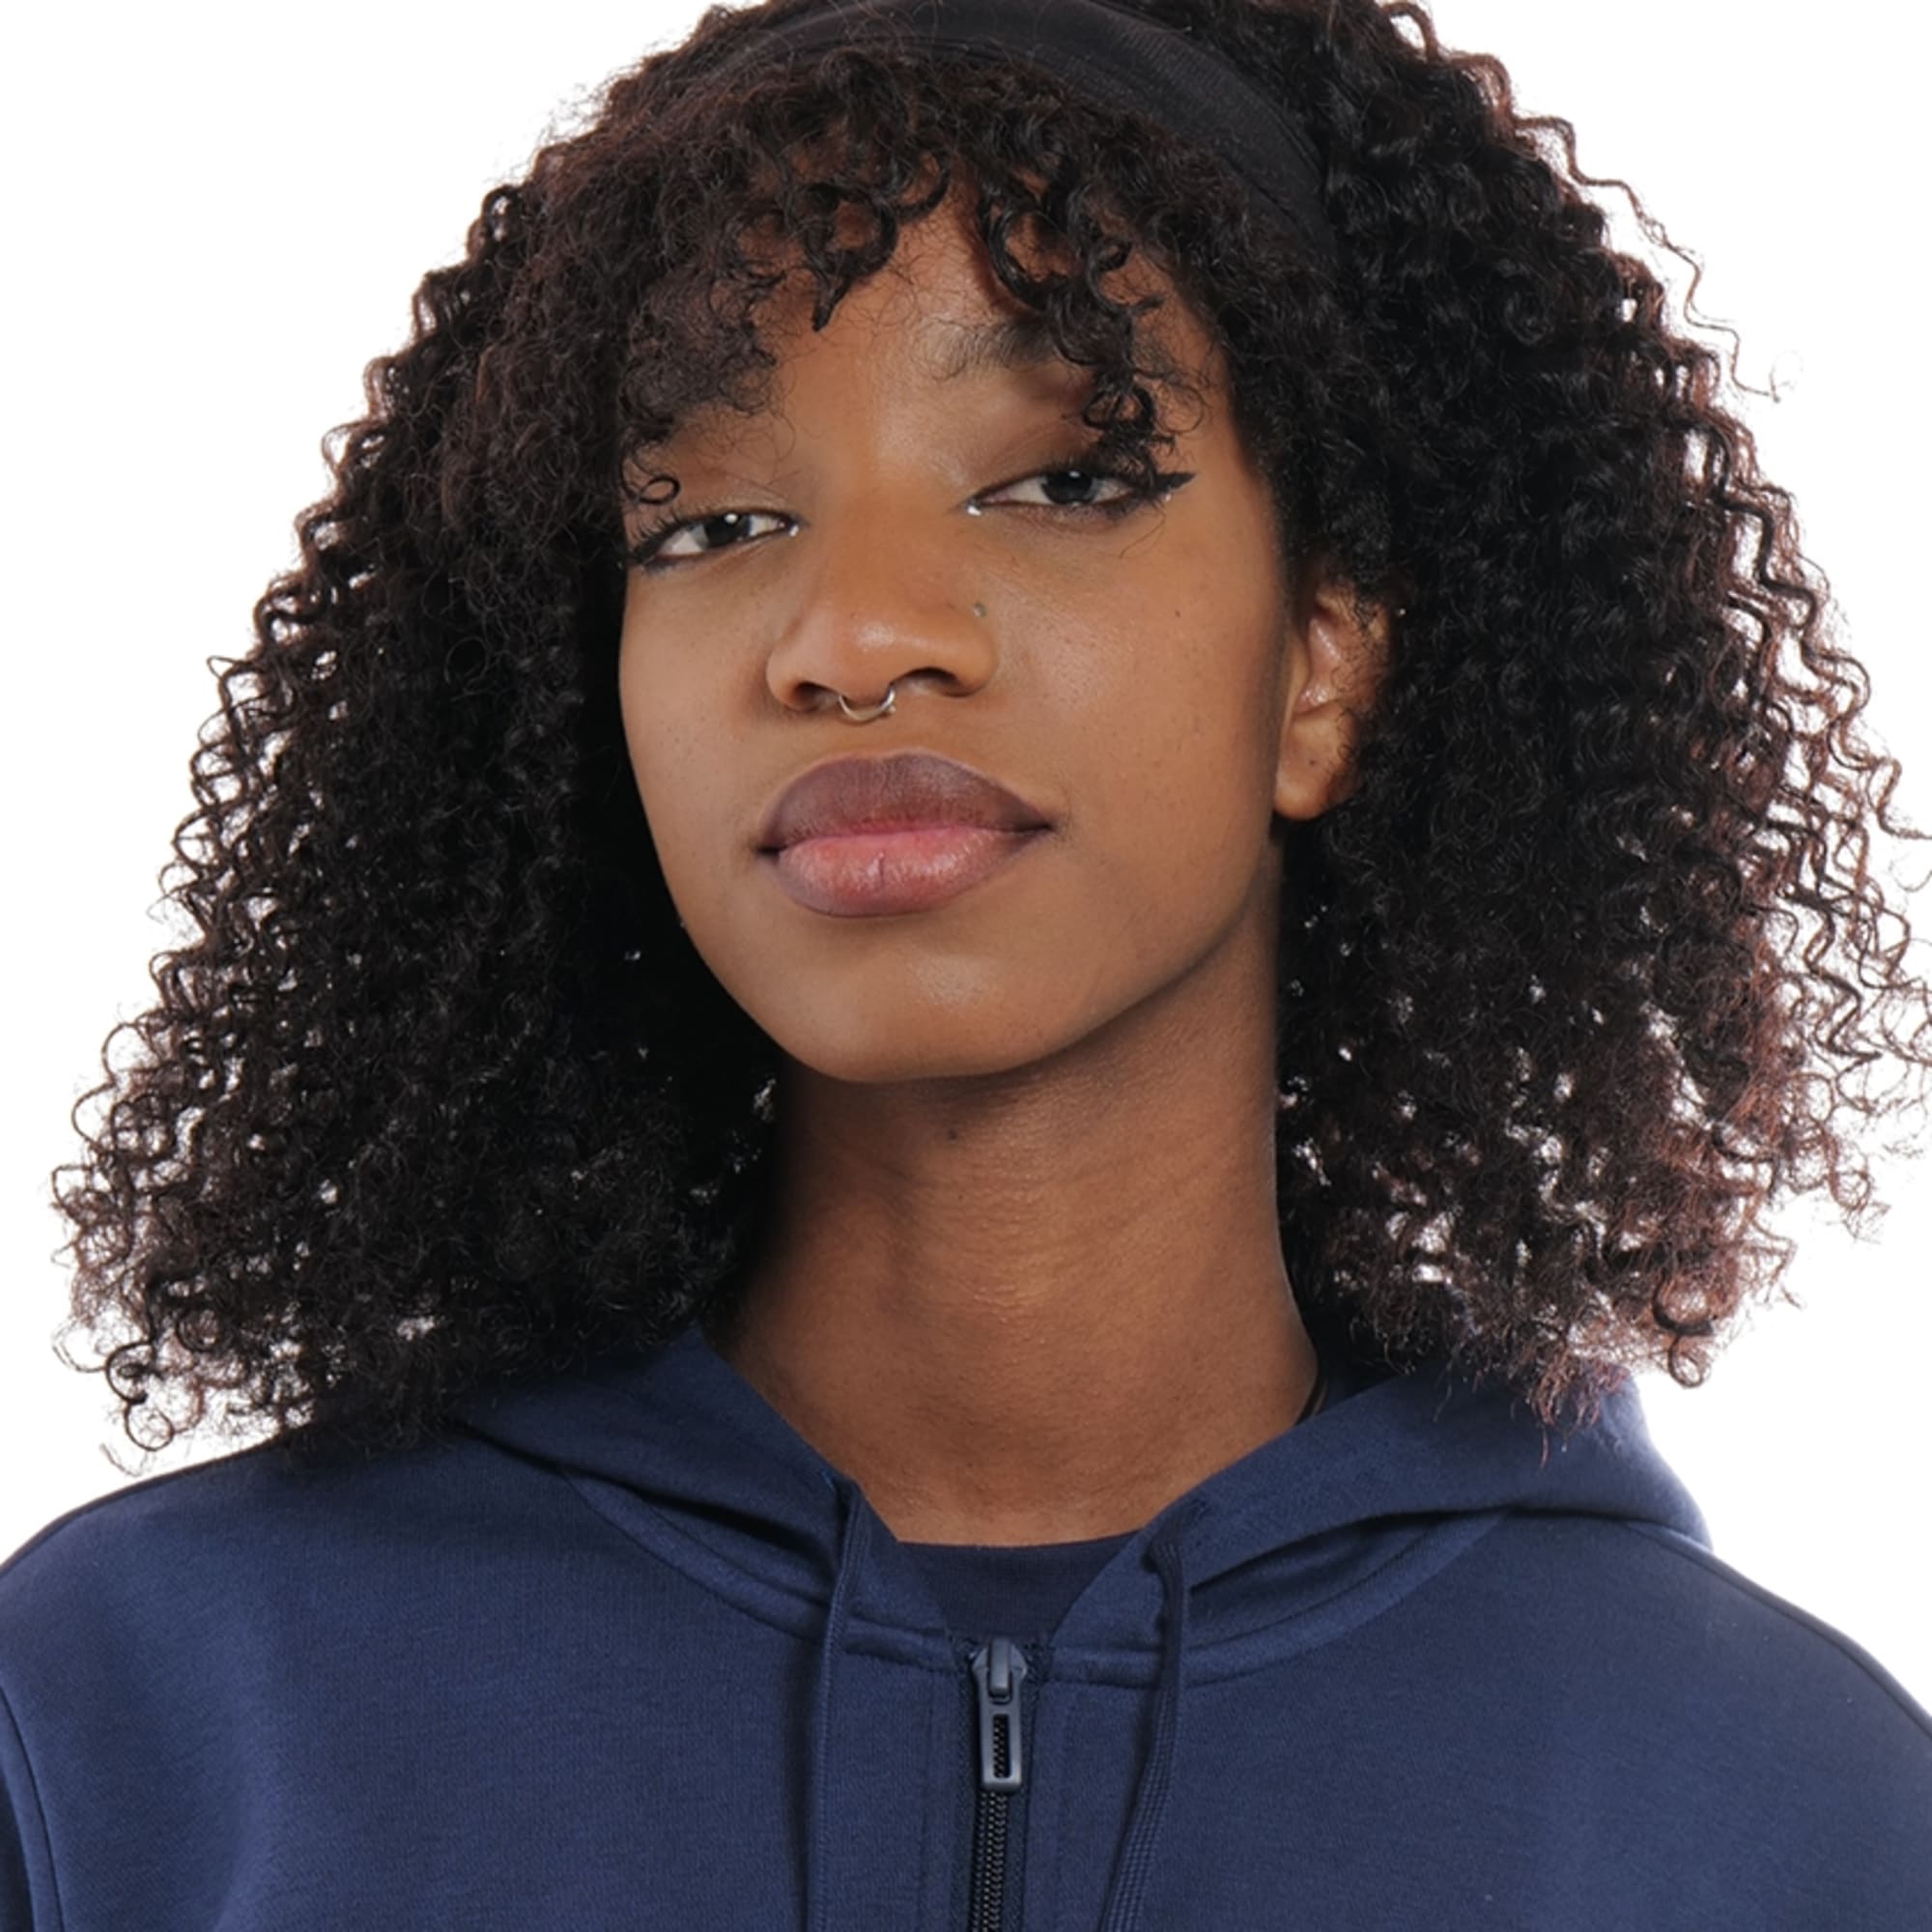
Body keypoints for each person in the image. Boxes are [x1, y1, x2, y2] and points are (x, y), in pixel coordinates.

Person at [4, 0, 1929, 1924]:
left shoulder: (1785, 1815)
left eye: (1063, 481)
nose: (851, 635)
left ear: (1324, 665)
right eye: (715, 523)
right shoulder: (134, 1723)